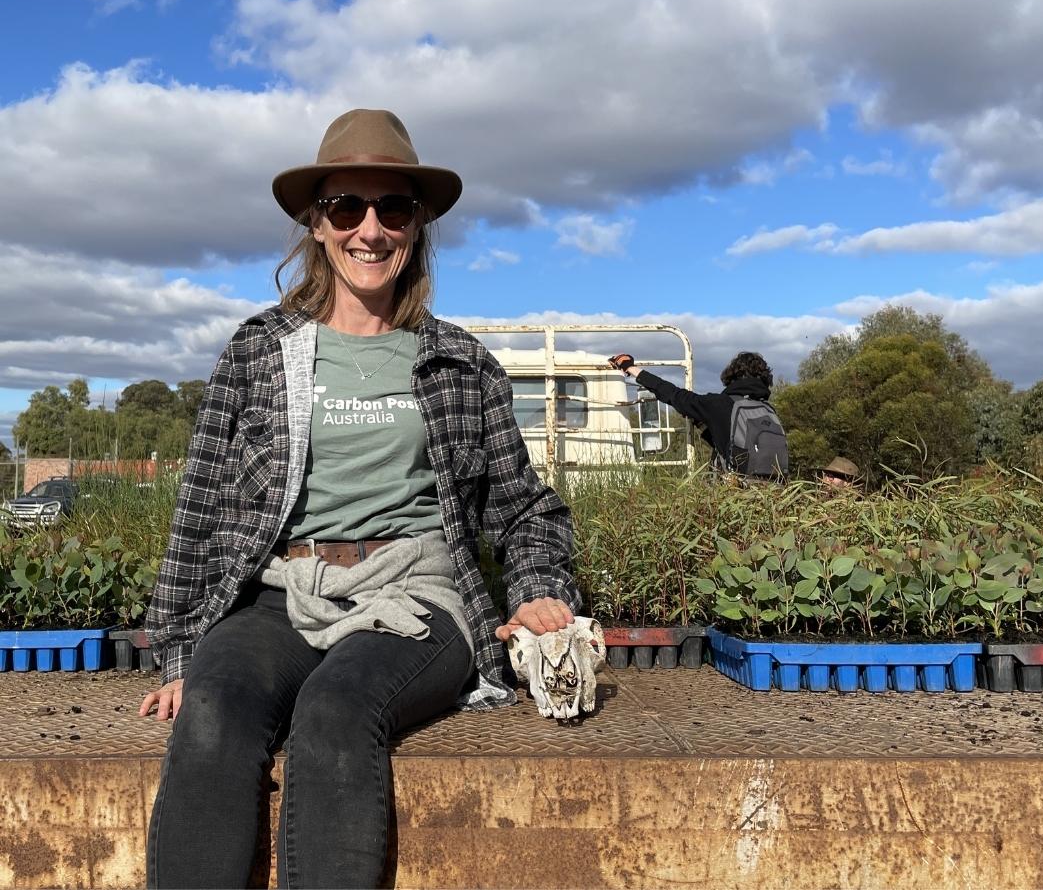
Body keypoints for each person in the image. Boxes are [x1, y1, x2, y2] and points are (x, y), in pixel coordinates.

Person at [140, 108, 581, 889]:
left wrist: (540, 591)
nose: (369, 229)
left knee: (337, 712)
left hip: (417, 596)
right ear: (316, 223)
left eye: (394, 209)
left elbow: (521, 507)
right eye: (347, 207)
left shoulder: (458, 362)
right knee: (212, 707)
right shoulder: (259, 352)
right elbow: (202, 502)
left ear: (416, 227)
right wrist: (181, 650)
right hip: (286, 592)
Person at [608, 349, 786, 476]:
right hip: (772, 493)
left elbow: (673, 394)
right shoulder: (769, 410)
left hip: (737, 493)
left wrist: (631, 368)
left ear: (731, 377)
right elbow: (732, 444)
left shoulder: (719, 404)